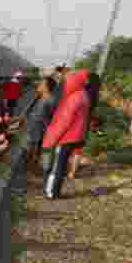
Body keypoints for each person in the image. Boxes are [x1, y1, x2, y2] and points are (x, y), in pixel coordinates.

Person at [41, 69, 94, 200]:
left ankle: (51, 192)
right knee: (62, 165)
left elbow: (64, 122)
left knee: (57, 166)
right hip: (76, 137)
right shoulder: (84, 95)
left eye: (67, 82)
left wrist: (51, 139)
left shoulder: (74, 98)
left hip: (67, 137)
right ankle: (56, 191)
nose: (66, 84)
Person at [21, 77, 58, 172]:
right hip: (37, 130)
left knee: (33, 152)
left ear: (46, 87)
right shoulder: (45, 98)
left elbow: (40, 118)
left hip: (37, 131)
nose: (39, 85)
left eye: (41, 84)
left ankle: (31, 169)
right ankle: (31, 168)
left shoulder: (48, 100)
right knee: (32, 151)